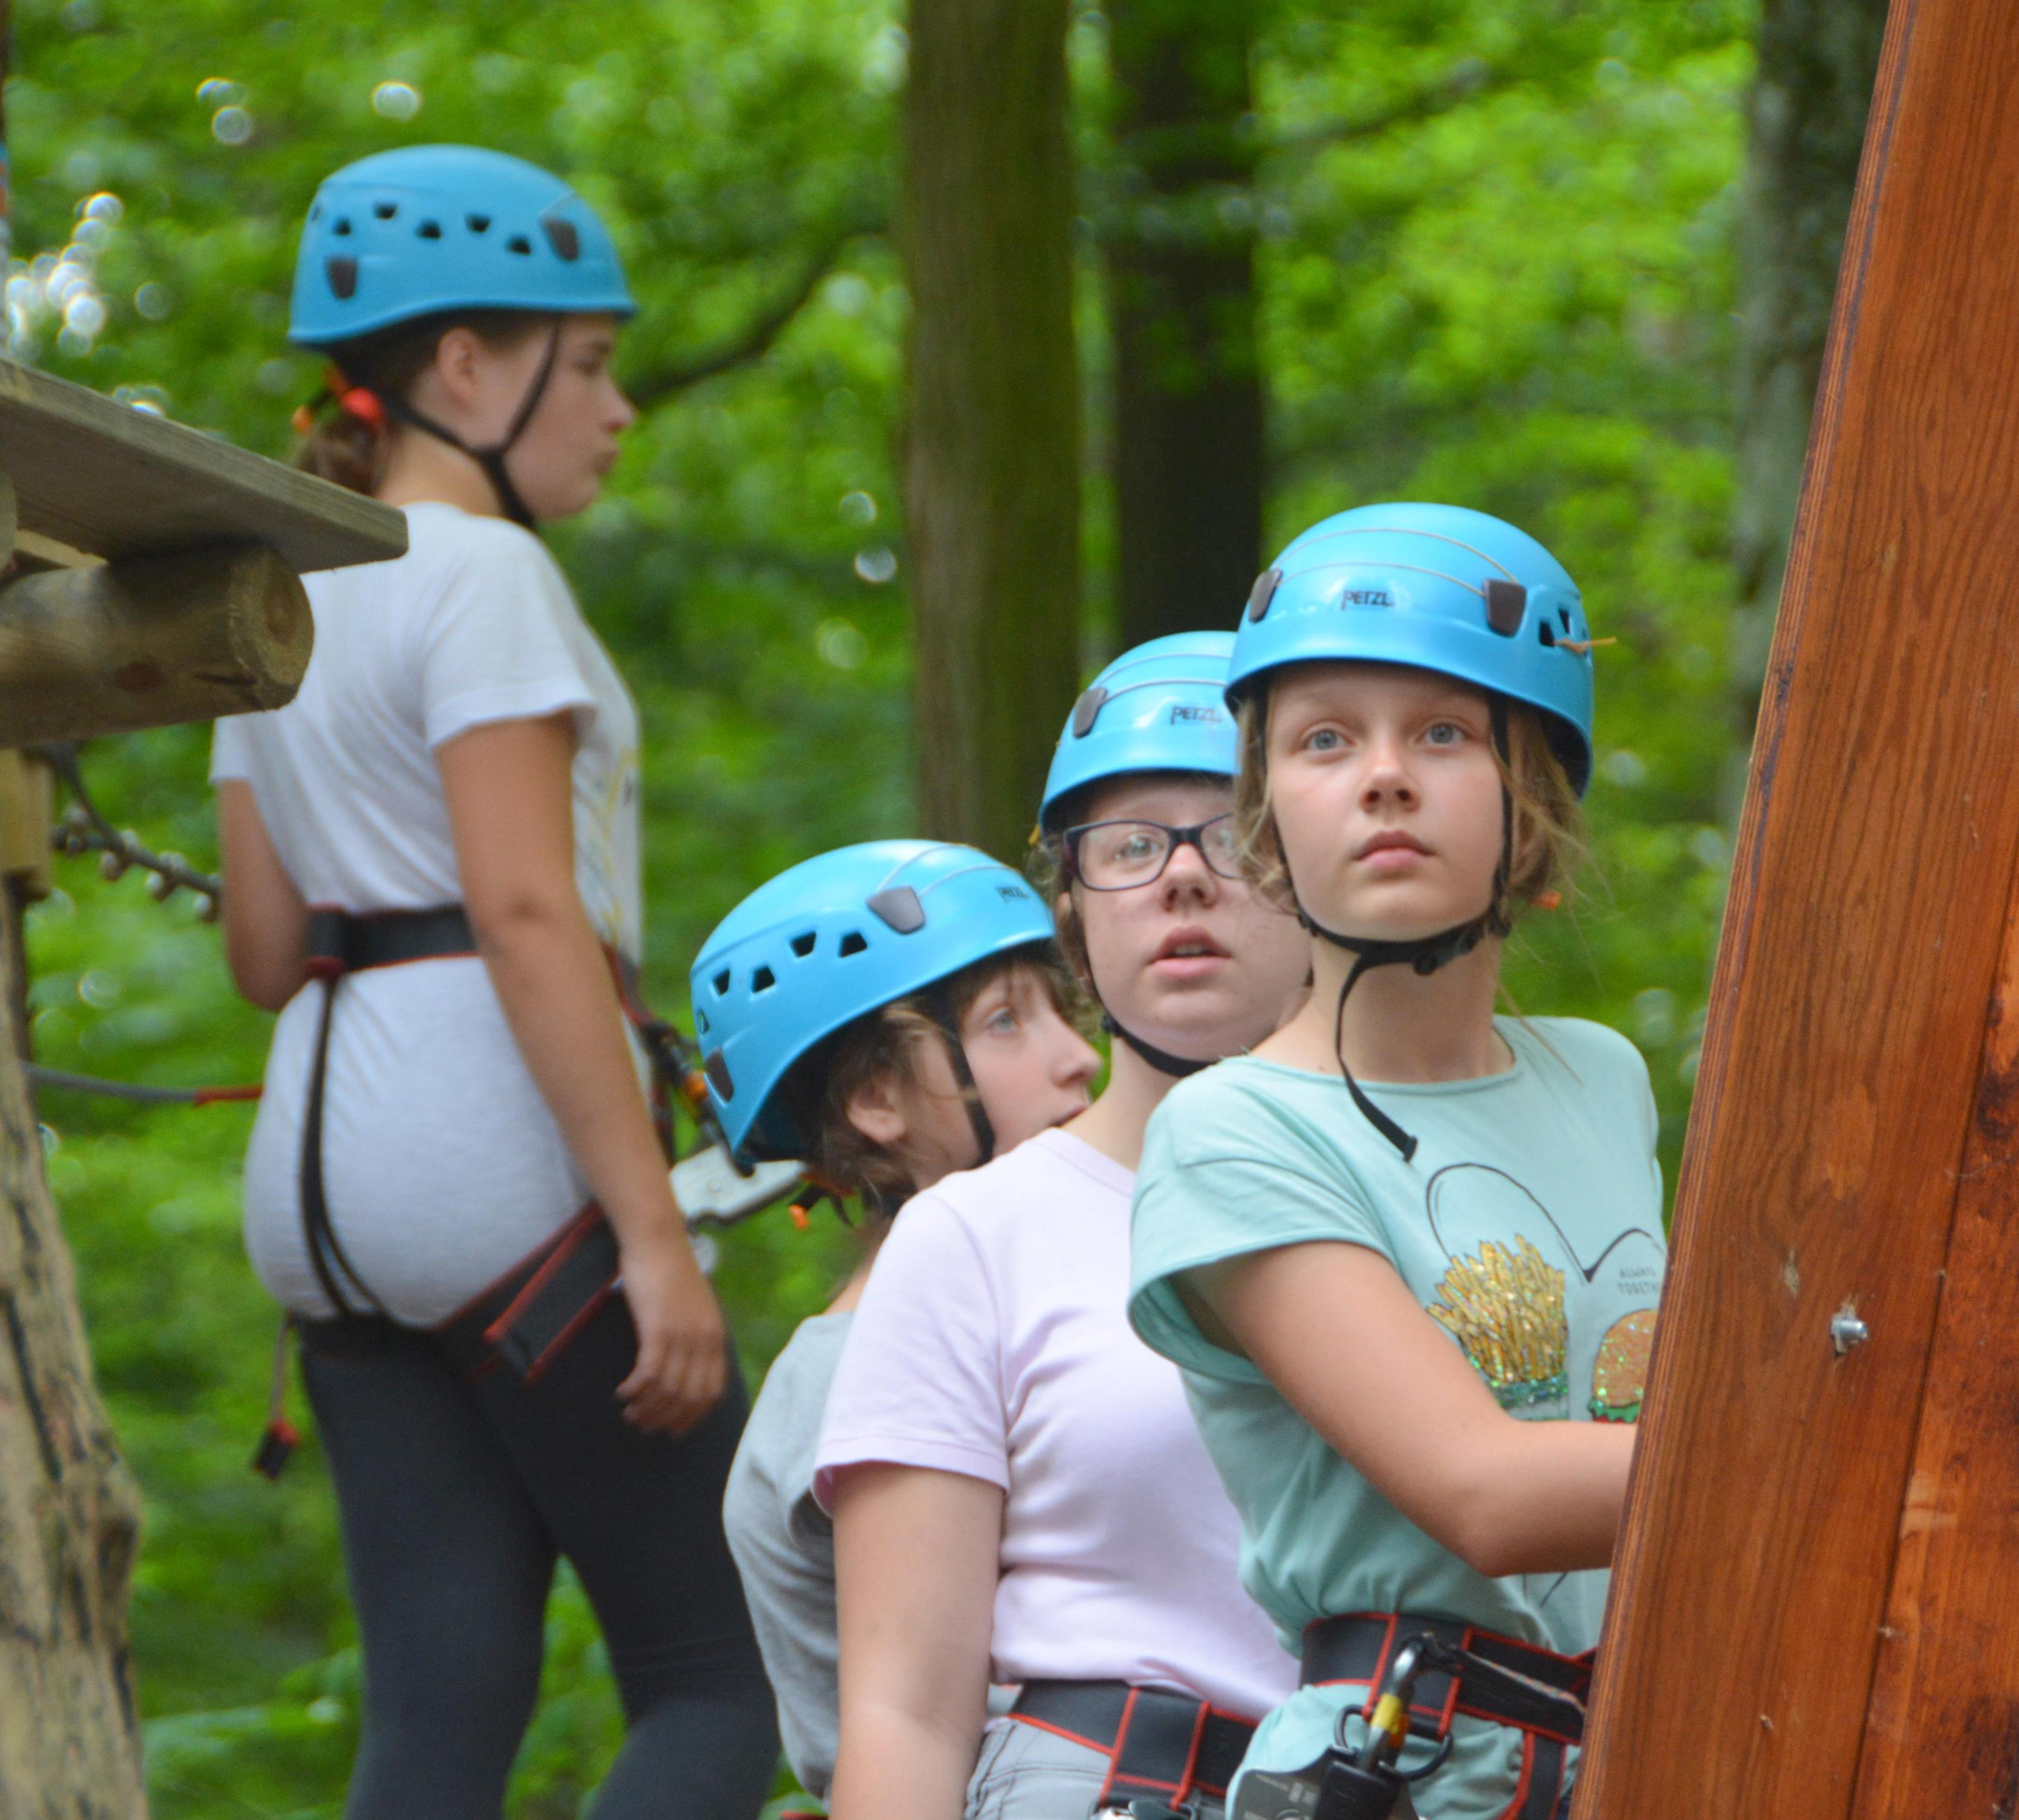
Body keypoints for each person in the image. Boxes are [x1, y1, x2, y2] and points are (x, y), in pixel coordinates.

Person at [212, 145, 775, 1820]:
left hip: (320, 1185)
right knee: (721, 1672)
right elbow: (530, 916)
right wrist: (653, 1236)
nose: (616, 407)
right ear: (465, 367)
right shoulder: (489, 574)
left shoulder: (275, 584)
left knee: (438, 1713)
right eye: (586, 363)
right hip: (495, 1166)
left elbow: (261, 951)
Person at [1125, 506, 1666, 1820]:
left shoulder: (1600, 1079)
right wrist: (1858, 1446)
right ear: (1265, 813)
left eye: (1442, 732)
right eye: (1324, 739)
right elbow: (1483, 1492)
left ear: (1529, 794)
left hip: (1651, 1748)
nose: (1383, 776)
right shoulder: (1234, 1129)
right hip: (1409, 1774)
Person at [819, 634, 1316, 1820]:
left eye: (1234, 835)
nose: (1181, 877)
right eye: (1128, 846)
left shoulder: (1450, 1190)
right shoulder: (975, 1237)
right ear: (1073, 917)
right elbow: (902, 1712)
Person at [704, 841, 1101, 1803]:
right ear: (878, 1099)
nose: (1079, 1057)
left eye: (1061, 1011)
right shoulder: (850, 1374)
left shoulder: (1050, 1307)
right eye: (1006, 1020)